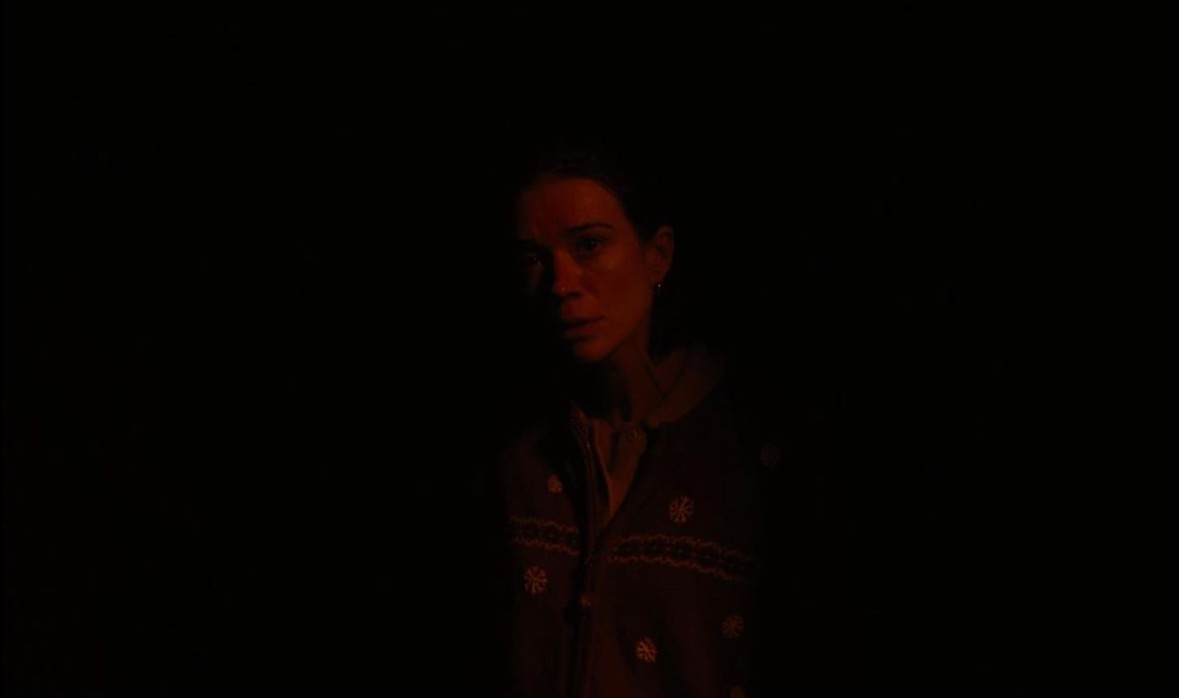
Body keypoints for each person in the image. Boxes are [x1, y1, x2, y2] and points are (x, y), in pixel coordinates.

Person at [472, 142, 866, 697]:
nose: (561, 282)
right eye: (533, 259)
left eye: (589, 245)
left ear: (656, 255)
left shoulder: (758, 448)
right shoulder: (518, 454)